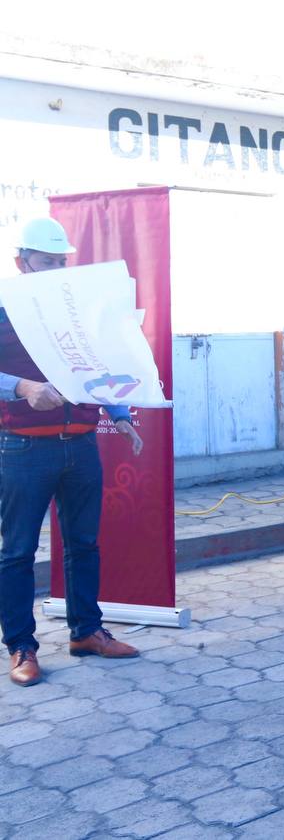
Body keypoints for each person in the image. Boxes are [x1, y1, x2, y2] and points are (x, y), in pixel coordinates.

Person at [1, 217, 145, 687]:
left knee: (84, 544)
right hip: (22, 449)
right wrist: (21, 387)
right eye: (47, 262)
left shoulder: (76, 310)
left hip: (81, 445)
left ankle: (87, 632)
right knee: (19, 552)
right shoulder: (5, 308)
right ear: (23, 262)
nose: (57, 269)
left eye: (62, 262)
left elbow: (97, 364)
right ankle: (21, 646)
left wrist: (120, 413)